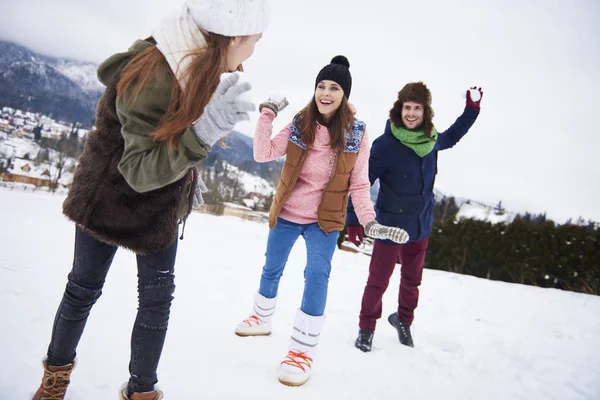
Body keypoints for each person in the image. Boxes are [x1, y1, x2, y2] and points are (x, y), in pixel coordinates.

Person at [32, 1, 270, 399]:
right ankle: (54, 380)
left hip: (159, 203)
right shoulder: (157, 73)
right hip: (106, 197)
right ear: (233, 37)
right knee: (83, 289)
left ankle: (142, 390)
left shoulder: (200, 67)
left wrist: (195, 149)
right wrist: (203, 134)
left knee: (156, 301)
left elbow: (169, 151)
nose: (254, 50)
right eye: (256, 40)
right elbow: (139, 170)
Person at [234, 56, 409, 387]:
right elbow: (263, 153)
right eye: (321, 86)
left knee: (316, 277)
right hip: (287, 212)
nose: (325, 93)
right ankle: (261, 316)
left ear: (345, 94)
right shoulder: (301, 122)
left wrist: (370, 223)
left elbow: (359, 184)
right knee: (271, 267)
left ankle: (301, 351)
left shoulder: (357, 133)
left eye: (334, 87)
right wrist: (267, 116)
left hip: (325, 220)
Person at [348, 82, 483, 352]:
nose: (411, 113)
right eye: (407, 107)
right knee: (378, 281)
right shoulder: (385, 145)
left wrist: (472, 109)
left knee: (412, 280)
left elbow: (453, 136)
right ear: (399, 110)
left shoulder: (431, 140)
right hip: (389, 226)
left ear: (425, 112)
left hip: (421, 224)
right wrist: (354, 220)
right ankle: (366, 327)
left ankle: (404, 320)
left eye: (417, 108)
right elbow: (362, 182)